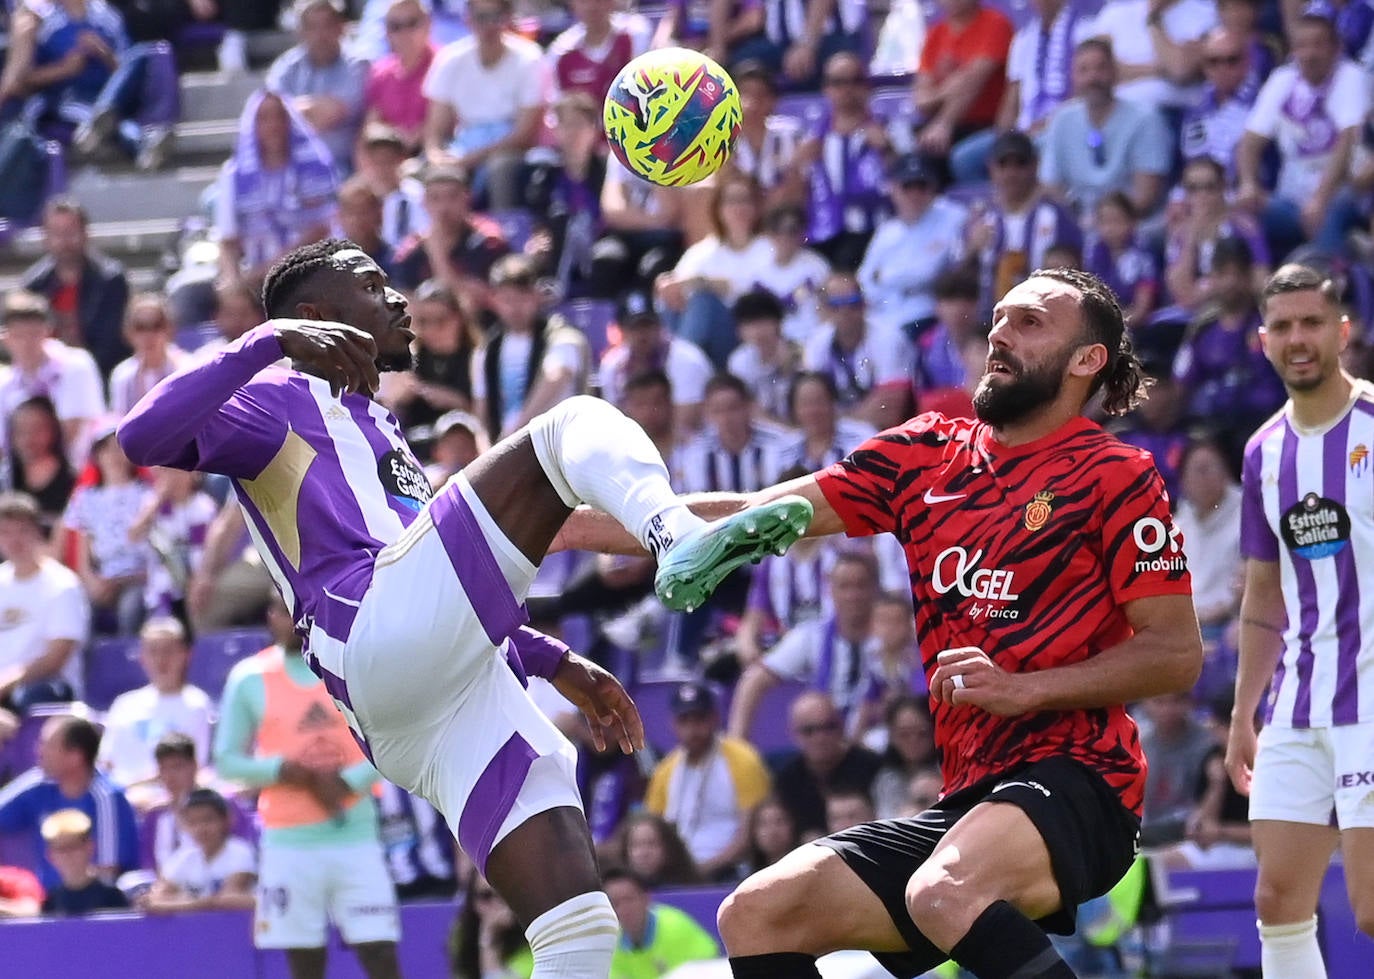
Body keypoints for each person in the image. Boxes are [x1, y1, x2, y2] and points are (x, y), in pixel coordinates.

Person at [116, 236, 811, 978]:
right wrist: (264, 341)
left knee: (579, 927)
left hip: (426, 705)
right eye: (373, 284)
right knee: (570, 423)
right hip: (375, 631)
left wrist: (553, 657)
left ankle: (679, 533)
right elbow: (139, 435)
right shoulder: (276, 397)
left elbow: (539, 542)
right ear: (316, 317)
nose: (398, 297)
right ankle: (679, 540)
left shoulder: (378, 427)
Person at [558, 266, 1204, 979]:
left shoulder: (1116, 475)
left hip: (1083, 779)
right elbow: (756, 510)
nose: (1000, 331)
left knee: (943, 890)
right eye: (999, 316)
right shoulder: (923, 455)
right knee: (758, 912)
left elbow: (1175, 654)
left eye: (1030, 322)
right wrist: (569, 528)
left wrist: (1026, 688)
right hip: (969, 796)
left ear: (1087, 360)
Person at [1227, 262, 1374, 978]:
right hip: (1298, 696)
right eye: (1282, 326)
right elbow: (1261, 596)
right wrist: (1242, 713)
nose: (1298, 338)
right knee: (1278, 896)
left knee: (1372, 904)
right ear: (1263, 340)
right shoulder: (1263, 453)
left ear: (1343, 330)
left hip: (1373, 697)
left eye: (1312, 321)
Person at [216, 595, 402, 979]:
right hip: (289, 844)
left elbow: (392, 737)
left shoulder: (354, 664)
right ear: (272, 617)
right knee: (304, 962)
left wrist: (347, 783)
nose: (293, 620)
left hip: (356, 837)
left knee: (380, 952)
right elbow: (226, 760)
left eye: (299, 611)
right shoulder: (250, 677)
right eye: (283, 612)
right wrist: (281, 770)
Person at [644, 680, 772, 880]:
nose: (693, 729)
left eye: (699, 719)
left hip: (733, 870)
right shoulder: (665, 771)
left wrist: (702, 870)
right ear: (673, 724)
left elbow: (750, 835)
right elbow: (654, 831)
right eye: (684, 720)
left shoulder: (742, 759)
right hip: (679, 871)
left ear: (714, 718)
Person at [0, 715, 140, 891]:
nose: (38, 751)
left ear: (75, 756)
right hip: (47, 905)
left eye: (47, 745)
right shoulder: (37, 786)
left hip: (95, 907)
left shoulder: (107, 798)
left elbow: (108, 873)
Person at [96, 617, 214, 791]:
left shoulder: (197, 704)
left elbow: (195, 768)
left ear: (186, 655)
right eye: (153, 651)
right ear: (142, 658)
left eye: (168, 651)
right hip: (121, 799)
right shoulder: (124, 705)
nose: (161, 660)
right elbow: (105, 763)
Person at [0, 492, 89, 716]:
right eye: (5, 532)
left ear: (38, 533)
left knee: (33, 696)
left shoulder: (61, 585)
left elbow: (56, 657)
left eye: (22, 531)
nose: (14, 540)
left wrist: (7, 684)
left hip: (45, 689)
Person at [139, 788, 258, 914]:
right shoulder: (184, 856)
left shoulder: (240, 851)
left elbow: (228, 900)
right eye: (193, 822)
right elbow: (155, 899)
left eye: (208, 820)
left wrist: (180, 902)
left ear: (226, 820)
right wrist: (201, 903)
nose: (201, 828)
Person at [603, 866, 722, 978]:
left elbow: (708, 968)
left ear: (645, 898)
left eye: (629, 900)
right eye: (615, 903)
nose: (623, 909)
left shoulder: (675, 927)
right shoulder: (609, 942)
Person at [38, 809, 130, 916]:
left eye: (73, 846)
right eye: (61, 849)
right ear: (50, 855)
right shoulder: (51, 900)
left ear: (89, 847)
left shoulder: (112, 895)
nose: (68, 855)